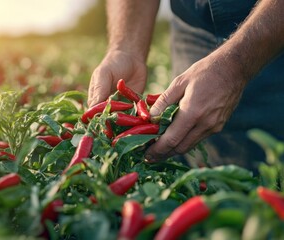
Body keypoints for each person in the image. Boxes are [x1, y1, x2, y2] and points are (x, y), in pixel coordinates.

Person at [88, 0, 284, 171]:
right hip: (191, 20)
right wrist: (125, 48)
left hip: (271, 21)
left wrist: (235, 66)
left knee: (268, 166)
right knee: (188, 132)